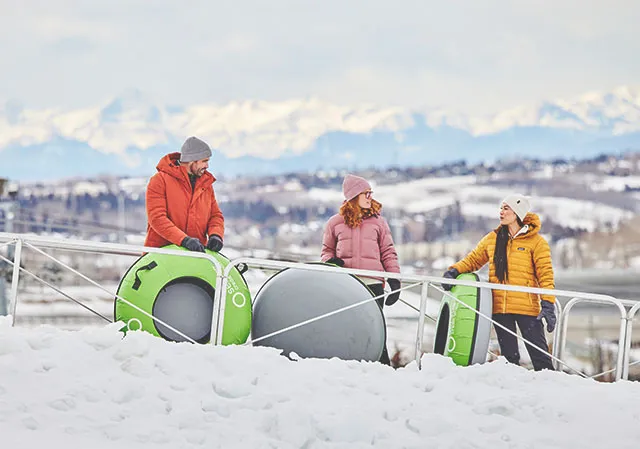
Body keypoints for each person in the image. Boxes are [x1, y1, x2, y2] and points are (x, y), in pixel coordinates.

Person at [442, 194, 556, 371]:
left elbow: (545, 275)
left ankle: (551, 390)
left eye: (506, 208)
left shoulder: (537, 242)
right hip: (500, 308)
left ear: (517, 213)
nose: (501, 212)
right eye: (501, 208)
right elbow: (473, 260)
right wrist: (454, 271)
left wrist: (548, 303)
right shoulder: (493, 239)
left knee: (540, 358)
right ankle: (512, 392)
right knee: (510, 359)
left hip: (526, 308)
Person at [321, 174, 401, 365]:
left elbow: (388, 252)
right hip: (346, 285)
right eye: (366, 193)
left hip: (373, 285)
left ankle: (383, 367)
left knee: (375, 329)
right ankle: (346, 366)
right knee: (346, 327)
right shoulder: (335, 223)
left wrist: (395, 280)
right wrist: (331, 261)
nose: (369, 197)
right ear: (353, 196)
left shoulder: (378, 223)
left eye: (370, 193)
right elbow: (326, 252)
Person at [144, 136, 224, 253]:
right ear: (192, 161)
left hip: (195, 255)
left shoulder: (206, 185)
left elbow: (215, 215)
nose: (207, 166)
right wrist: (184, 240)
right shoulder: (160, 181)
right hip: (161, 256)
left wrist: (216, 235)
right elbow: (157, 218)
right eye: (204, 161)